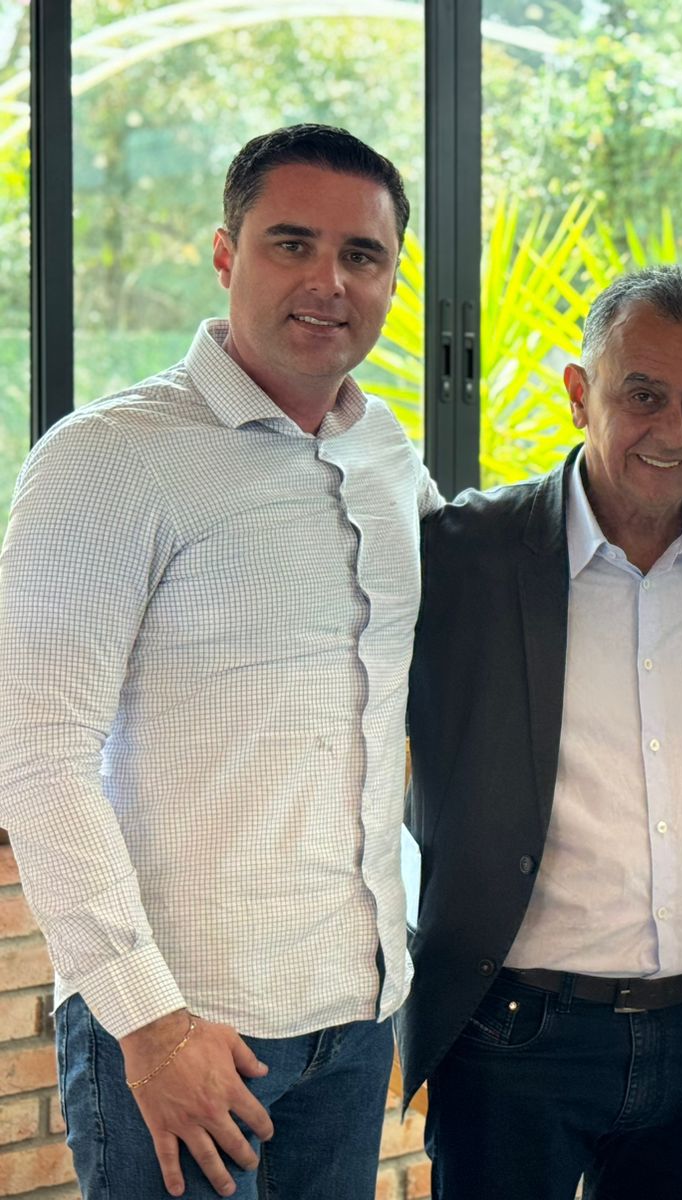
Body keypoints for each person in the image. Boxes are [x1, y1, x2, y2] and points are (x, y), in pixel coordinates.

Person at [0, 125, 438, 1199]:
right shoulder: (108, 459)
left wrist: (675, 492)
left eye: (363, 255)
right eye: (292, 244)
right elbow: (36, 756)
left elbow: (510, 568)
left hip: (353, 1019)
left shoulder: (387, 456)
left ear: (391, 278)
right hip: (183, 1029)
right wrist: (151, 1022)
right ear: (225, 254)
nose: (329, 281)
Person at [400, 265, 682, 1199]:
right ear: (580, 394)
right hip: (512, 1041)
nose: (672, 430)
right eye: (642, 396)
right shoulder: (463, 554)